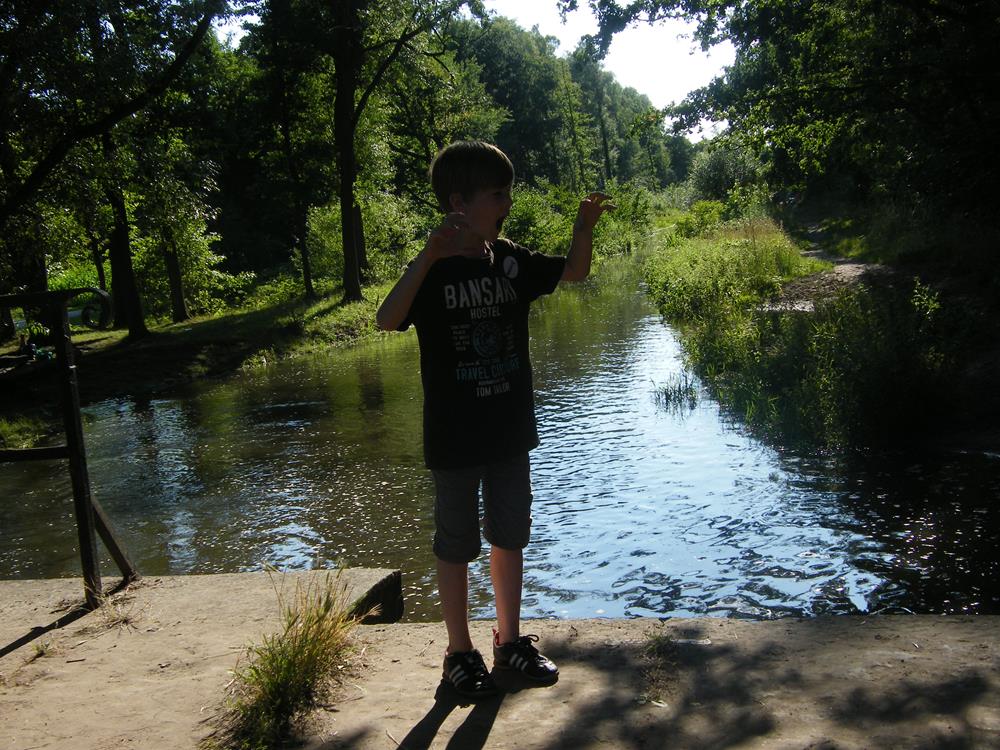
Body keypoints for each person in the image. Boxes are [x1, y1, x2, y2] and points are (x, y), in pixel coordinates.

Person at [376, 140, 613, 699]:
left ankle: (509, 641)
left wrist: (583, 227)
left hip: (509, 433)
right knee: (456, 544)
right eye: (498, 194)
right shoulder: (432, 269)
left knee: (510, 537)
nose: (507, 203)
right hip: (454, 438)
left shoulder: (509, 259)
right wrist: (427, 257)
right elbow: (387, 318)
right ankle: (459, 653)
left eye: (508, 192)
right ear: (459, 203)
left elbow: (575, 271)